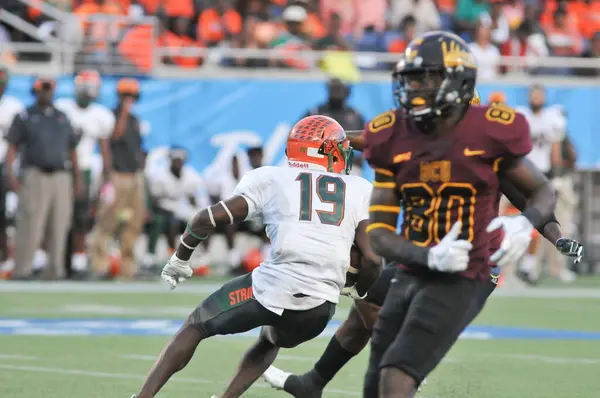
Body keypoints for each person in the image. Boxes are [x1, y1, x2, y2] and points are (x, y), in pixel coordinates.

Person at [262, 90, 584, 398]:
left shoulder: (488, 158)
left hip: (473, 265)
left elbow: (532, 199)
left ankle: (404, 367)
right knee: (364, 308)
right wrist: (332, 136)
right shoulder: (424, 146)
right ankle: (313, 383)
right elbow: (377, 140)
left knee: (400, 336)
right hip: (427, 255)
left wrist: (557, 237)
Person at [129, 115, 382, 398]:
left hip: (271, 289)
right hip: (319, 309)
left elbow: (204, 220)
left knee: (196, 324)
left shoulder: (270, 177)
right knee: (269, 338)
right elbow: (372, 259)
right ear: (329, 152)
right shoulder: (359, 187)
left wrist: (180, 259)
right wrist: (356, 289)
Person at [6, 77, 82, 280]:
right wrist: (11, 174)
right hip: (35, 174)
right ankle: (23, 269)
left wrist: (78, 176)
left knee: (59, 224)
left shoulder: (62, 117)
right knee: (31, 223)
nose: (46, 93)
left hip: (60, 175)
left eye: (49, 89)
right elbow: (12, 148)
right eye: (43, 89)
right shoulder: (25, 116)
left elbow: (72, 149)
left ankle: (55, 270)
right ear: (35, 90)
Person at [55, 69, 115, 278]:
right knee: (59, 217)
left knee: (81, 218)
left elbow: (104, 148)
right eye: (83, 87)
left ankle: (79, 261)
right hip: (62, 168)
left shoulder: (101, 115)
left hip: (86, 169)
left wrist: (107, 180)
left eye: (90, 88)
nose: (86, 92)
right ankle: (56, 260)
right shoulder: (62, 108)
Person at [516, 84, 575, 283]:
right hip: (520, 174)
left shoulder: (552, 118)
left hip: (542, 176)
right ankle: (520, 265)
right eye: (533, 94)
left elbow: (556, 149)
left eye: (539, 94)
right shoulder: (521, 116)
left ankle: (530, 264)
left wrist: (556, 175)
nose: (536, 97)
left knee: (540, 220)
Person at [90, 78, 146, 280]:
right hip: (116, 175)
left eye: (131, 96)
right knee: (107, 220)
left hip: (133, 176)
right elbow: (115, 137)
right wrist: (123, 111)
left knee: (133, 223)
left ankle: (127, 268)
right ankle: (100, 265)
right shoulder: (112, 116)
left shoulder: (135, 120)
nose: (129, 100)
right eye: (125, 96)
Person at [145, 146, 210, 273]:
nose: (178, 164)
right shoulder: (161, 175)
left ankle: (200, 256)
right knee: (165, 222)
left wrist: (198, 211)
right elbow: (155, 200)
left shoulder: (190, 174)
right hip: (163, 208)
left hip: (181, 208)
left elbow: (194, 197)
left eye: (180, 161)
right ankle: (154, 256)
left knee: (201, 221)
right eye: (175, 161)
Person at [0, 65, 24, 271]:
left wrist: (12, 170)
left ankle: (8, 257)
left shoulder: (14, 107)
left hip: (6, 165)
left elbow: (18, 143)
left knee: (8, 214)